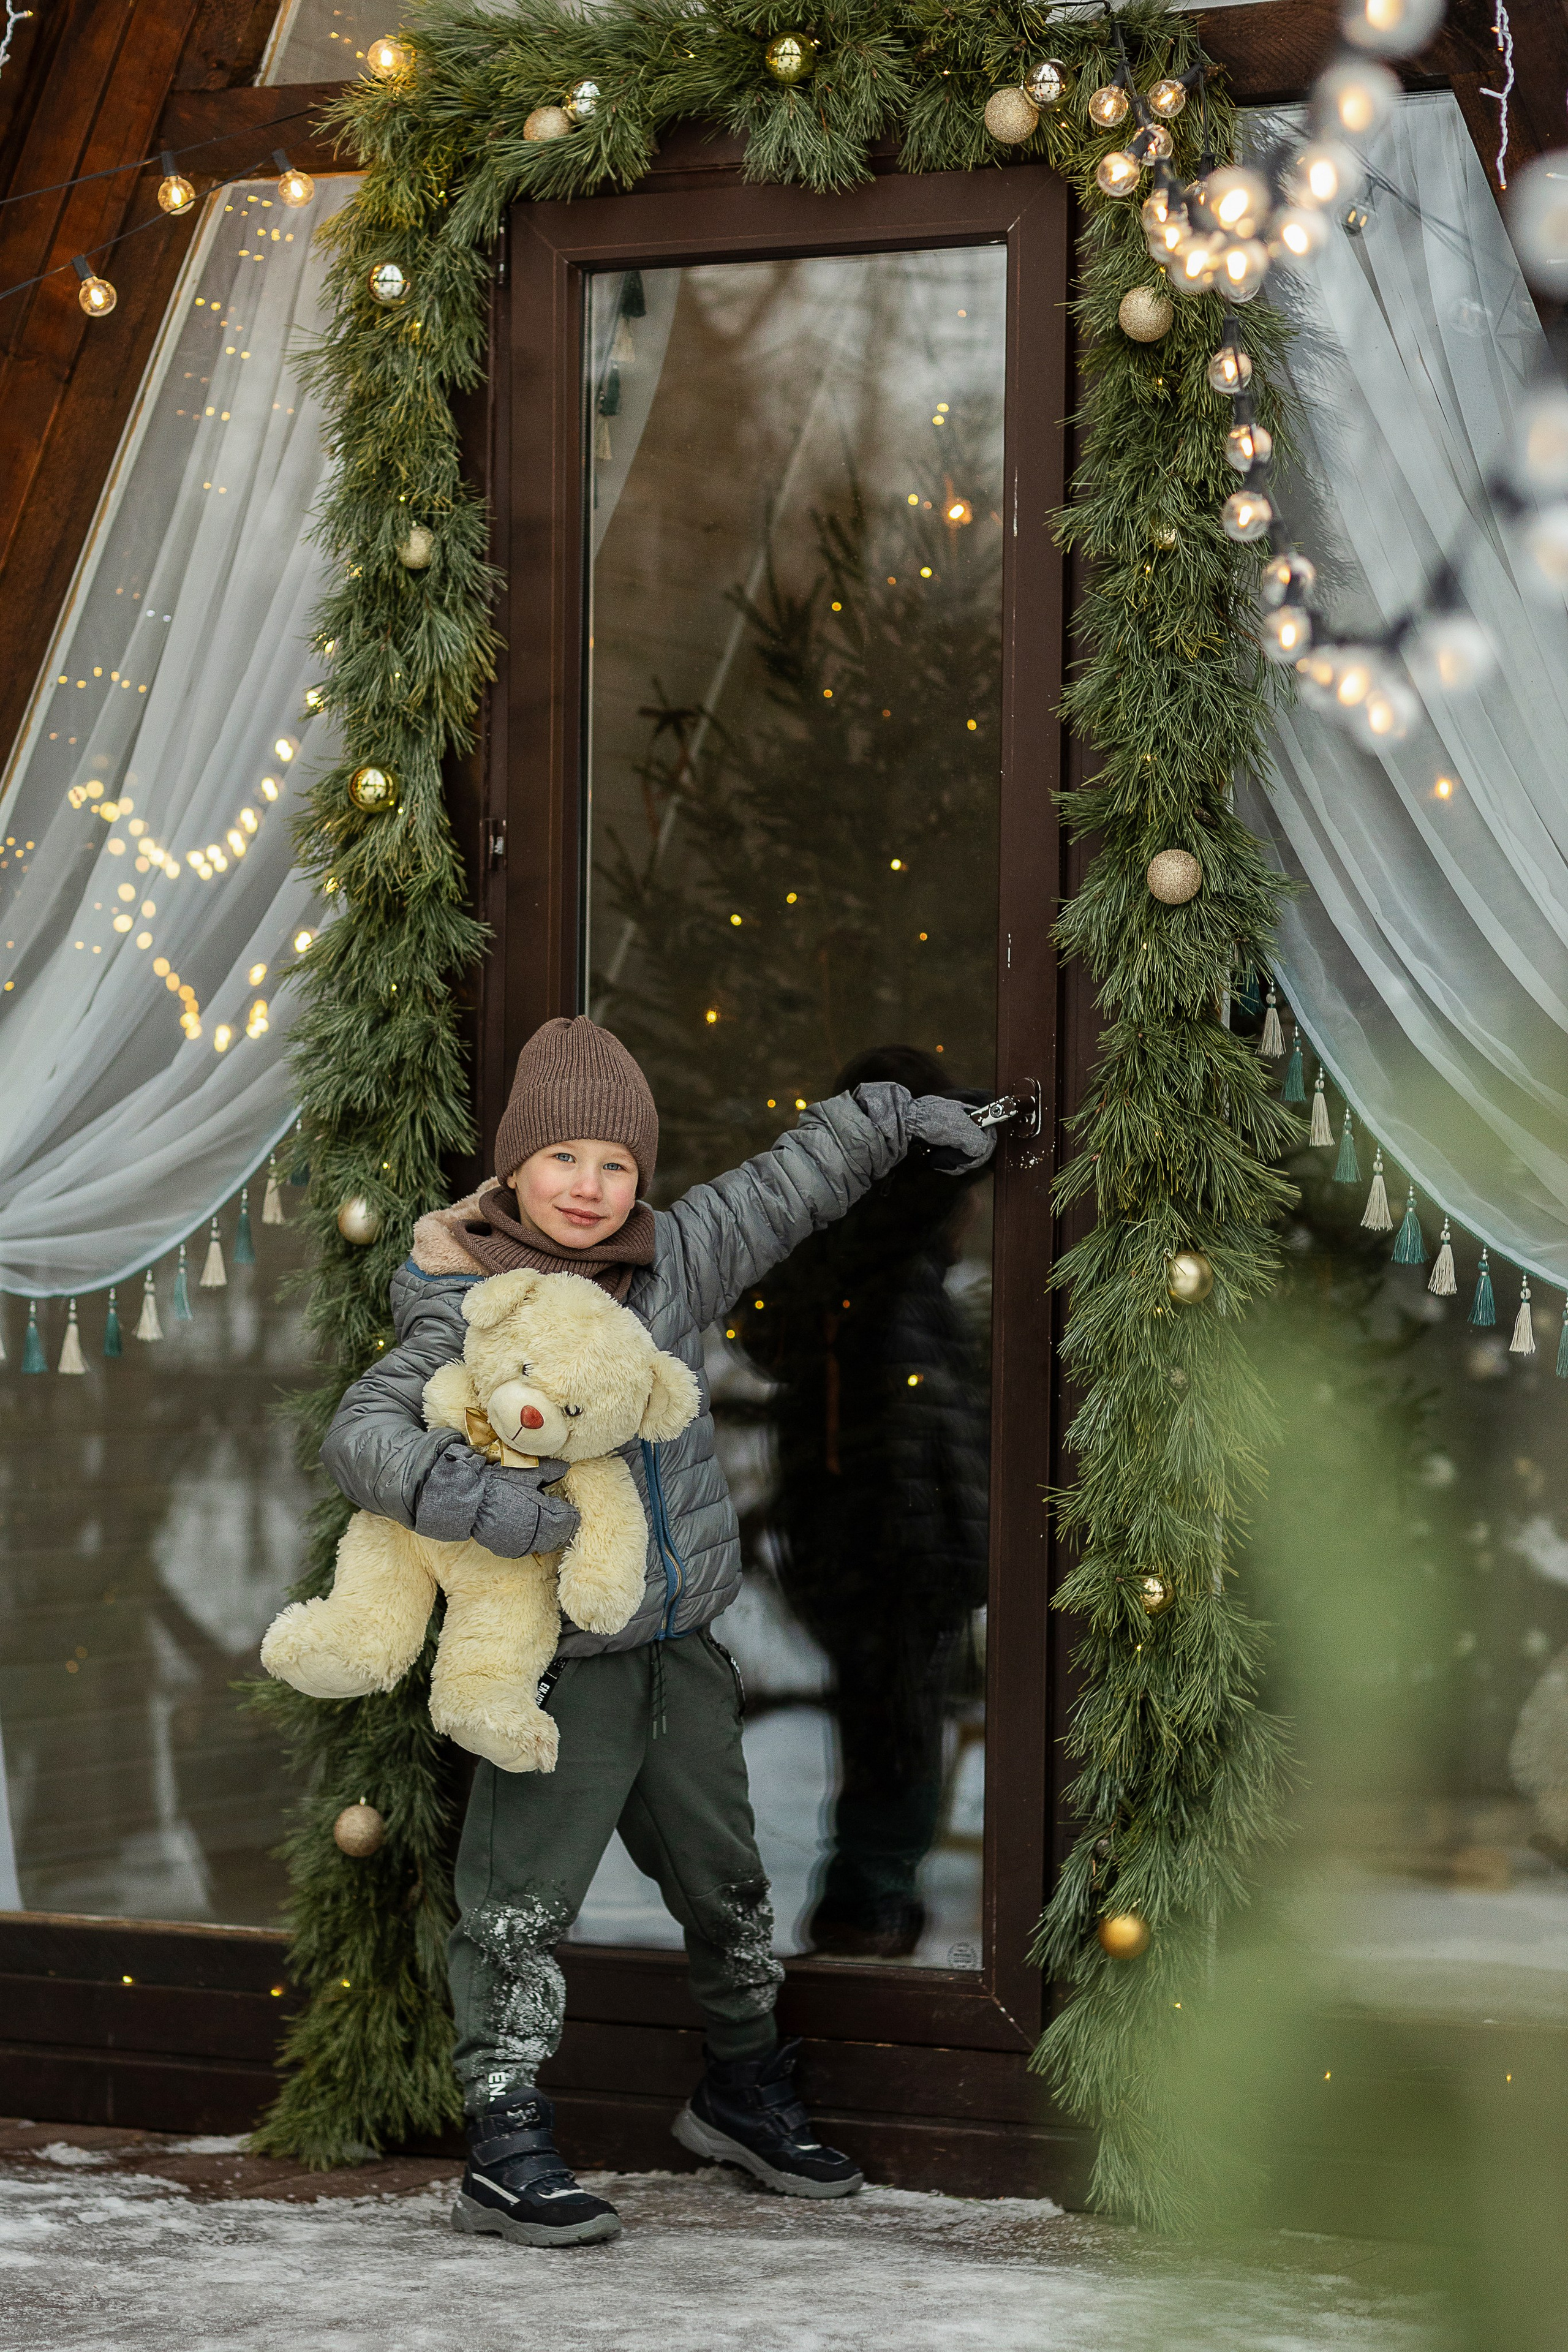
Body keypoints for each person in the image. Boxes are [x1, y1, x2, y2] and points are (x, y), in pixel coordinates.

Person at [319, 1014, 995, 2248]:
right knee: (518, 1906)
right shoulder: (465, 1299)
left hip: (678, 1649)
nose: (589, 1188)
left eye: (615, 1165)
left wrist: (896, 1119)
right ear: (516, 1166)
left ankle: (740, 2088)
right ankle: (505, 2129)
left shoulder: (673, 1260)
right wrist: (477, 1499)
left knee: (728, 1889)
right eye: (564, 1159)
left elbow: (785, 1184)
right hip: (552, 1668)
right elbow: (364, 1435)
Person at [734, 1046, 991, 1961]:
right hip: (879, 1548)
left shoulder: (897, 1278)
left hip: (905, 1552)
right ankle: (865, 1916)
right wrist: (996, 1115)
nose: (969, 1207)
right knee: (893, 1741)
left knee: (896, 1738)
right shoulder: (859, 1261)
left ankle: (871, 1910)